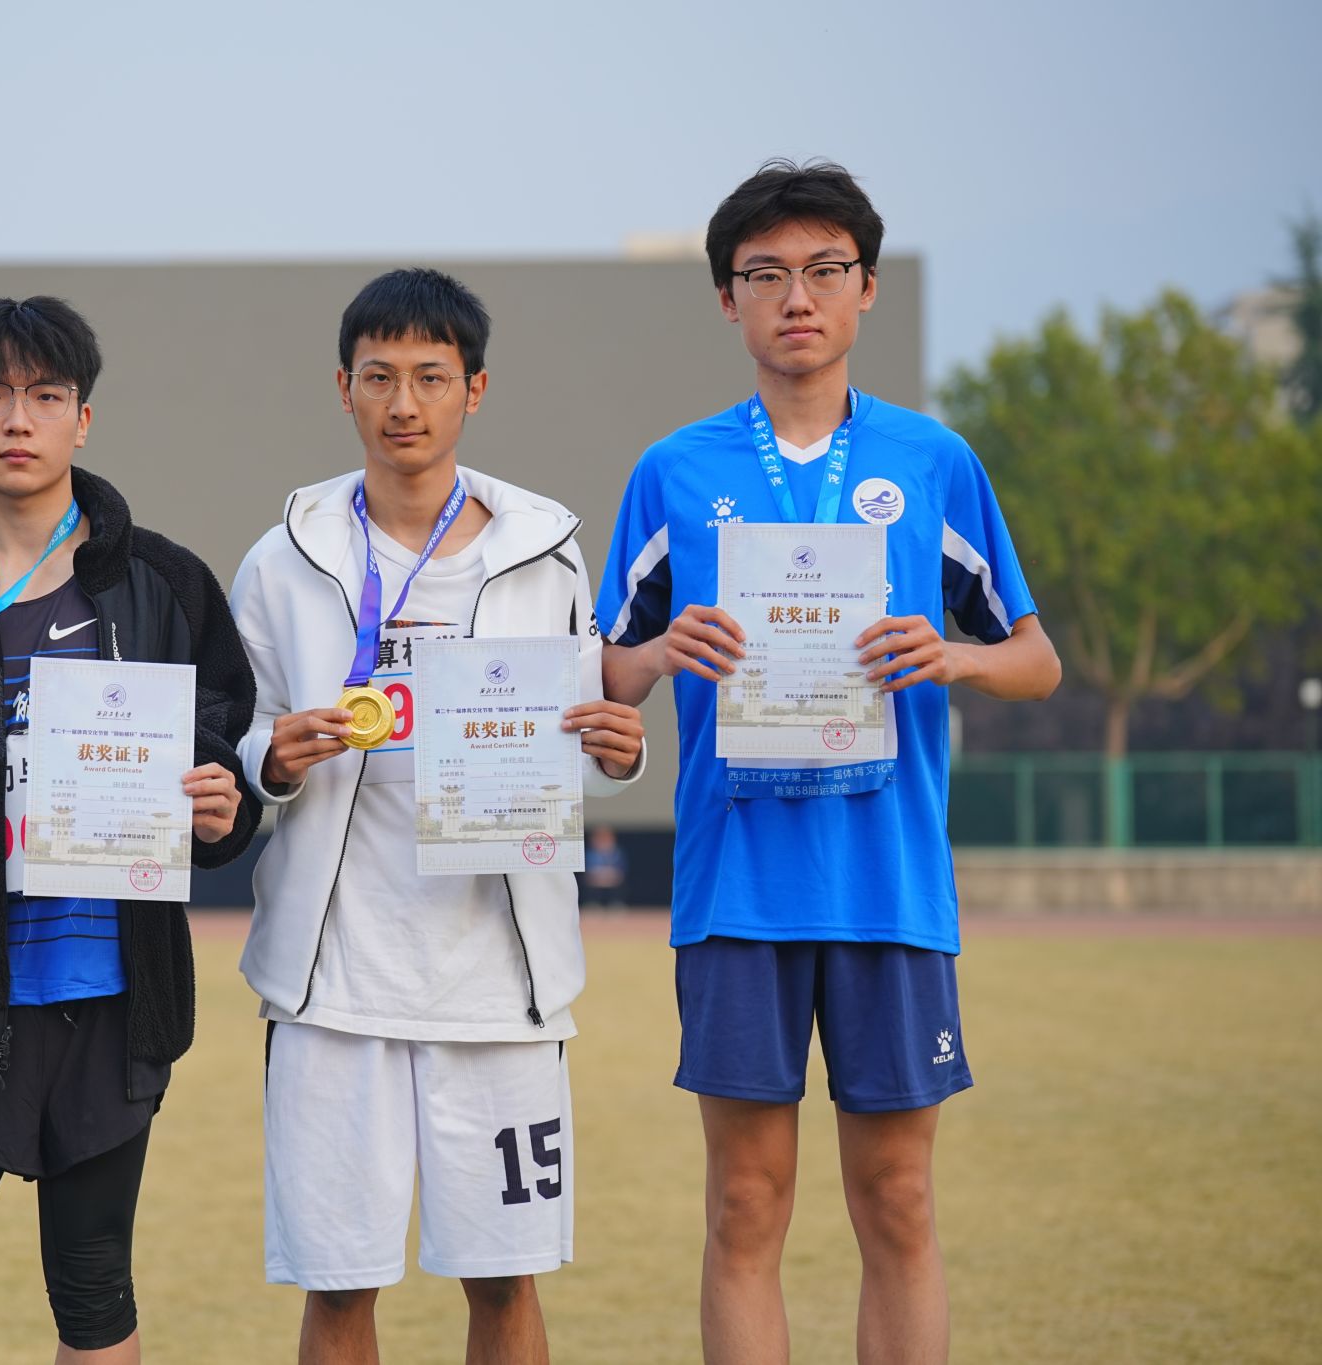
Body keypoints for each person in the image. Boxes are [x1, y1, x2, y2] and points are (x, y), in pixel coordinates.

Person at [597, 159, 1061, 1365]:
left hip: (886, 884)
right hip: (736, 888)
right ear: (726, 299)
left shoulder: (931, 462)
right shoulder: (673, 471)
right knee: (743, 1204)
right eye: (764, 275)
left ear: (864, 289)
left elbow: (1036, 660)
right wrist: (654, 653)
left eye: (821, 271)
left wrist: (953, 658)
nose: (794, 297)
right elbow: (602, 674)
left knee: (896, 1201)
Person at [231, 268, 647, 1365]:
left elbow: (579, 739)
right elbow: (242, 732)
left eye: (429, 377)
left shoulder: (543, 551)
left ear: (475, 389)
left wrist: (617, 754)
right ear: (343, 388)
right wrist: (269, 756)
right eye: (379, 377)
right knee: (338, 1287)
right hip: (334, 983)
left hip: (497, 982)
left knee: (504, 1281)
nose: (403, 403)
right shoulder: (284, 558)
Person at [0, 295, 261, 1364]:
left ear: (84, 417)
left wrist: (226, 812)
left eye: (45, 395)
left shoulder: (167, 585)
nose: (17, 418)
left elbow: (219, 774)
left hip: (111, 1004)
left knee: (94, 1286)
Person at [580, 826, 628, 908]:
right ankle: (592, 904)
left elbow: (621, 871)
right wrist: (601, 875)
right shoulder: (590, 852)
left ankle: (616, 904)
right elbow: (588, 871)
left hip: (612, 881)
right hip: (595, 881)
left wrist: (609, 875)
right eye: (600, 838)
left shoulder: (617, 852)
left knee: (620, 885)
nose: (603, 841)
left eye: (605, 838)